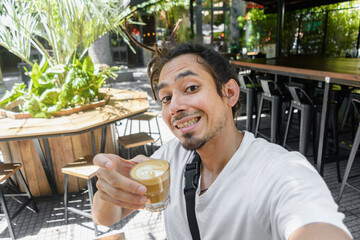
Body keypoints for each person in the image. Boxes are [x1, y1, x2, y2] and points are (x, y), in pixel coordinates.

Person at [91, 42, 352, 240]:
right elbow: (105, 218)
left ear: (229, 93)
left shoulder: (280, 172)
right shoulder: (169, 158)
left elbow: (314, 223)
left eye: (191, 88)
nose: (175, 107)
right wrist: (109, 189)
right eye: (166, 98)